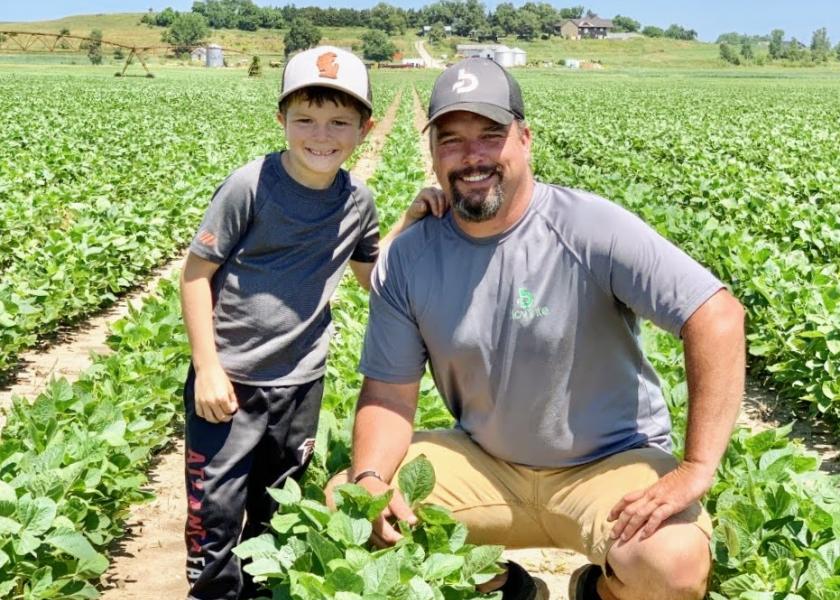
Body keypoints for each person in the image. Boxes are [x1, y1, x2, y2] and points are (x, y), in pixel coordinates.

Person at [327, 57, 745, 600]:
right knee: (351, 503)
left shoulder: (588, 226)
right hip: (485, 464)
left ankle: (599, 589)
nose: (472, 156)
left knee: (671, 562)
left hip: (608, 465)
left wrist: (696, 467)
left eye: (491, 135)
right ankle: (503, 587)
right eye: (451, 140)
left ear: (524, 139)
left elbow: (715, 314)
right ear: (432, 153)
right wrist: (372, 480)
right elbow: (387, 394)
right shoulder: (411, 256)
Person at [179, 46, 447, 600]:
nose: (320, 135)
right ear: (281, 120)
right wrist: (207, 367)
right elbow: (194, 276)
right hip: (230, 383)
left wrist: (410, 218)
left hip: (301, 383)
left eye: (339, 123)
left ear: (365, 129)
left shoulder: (358, 203)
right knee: (215, 514)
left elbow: (373, 277)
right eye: (305, 119)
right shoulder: (250, 187)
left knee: (277, 512)